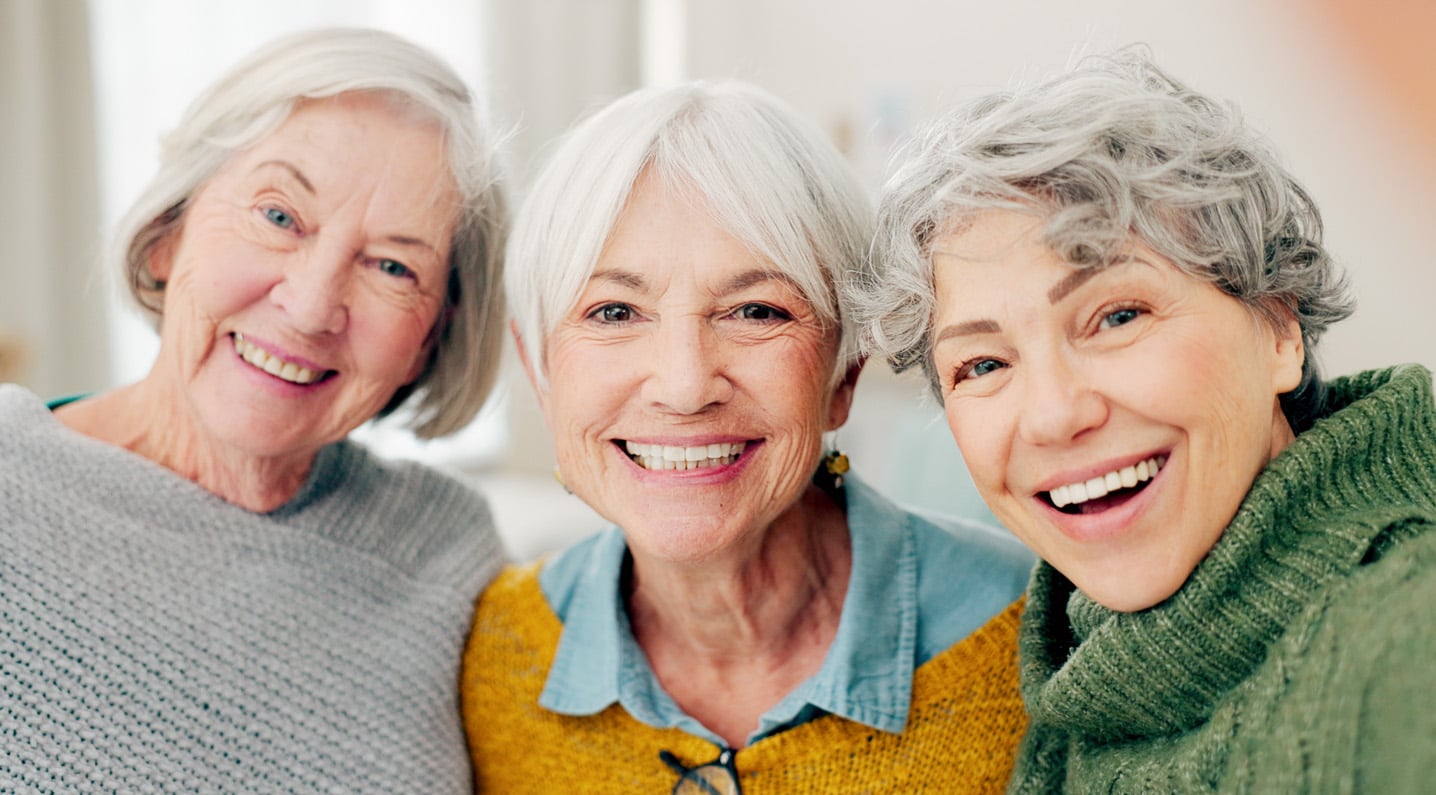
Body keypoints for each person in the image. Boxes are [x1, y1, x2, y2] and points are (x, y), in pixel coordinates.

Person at [852, 48, 1436, 793]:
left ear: (1279, 327)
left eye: (1118, 316)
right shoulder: (1065, 688)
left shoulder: (1404, 637)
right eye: (985, 364)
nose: (1054, 415)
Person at [459, 80, 1034, 793]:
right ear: (540, 373)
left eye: (756, 310)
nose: (684, 385)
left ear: (846, 370)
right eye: (614, 312)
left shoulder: (1036, 633)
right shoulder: (490, 657)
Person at [0, 28, 509, 791]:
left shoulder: (445, 548)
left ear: (431, 337)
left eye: (393, 266)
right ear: (167, 231)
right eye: (279, 216)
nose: (310, 306)